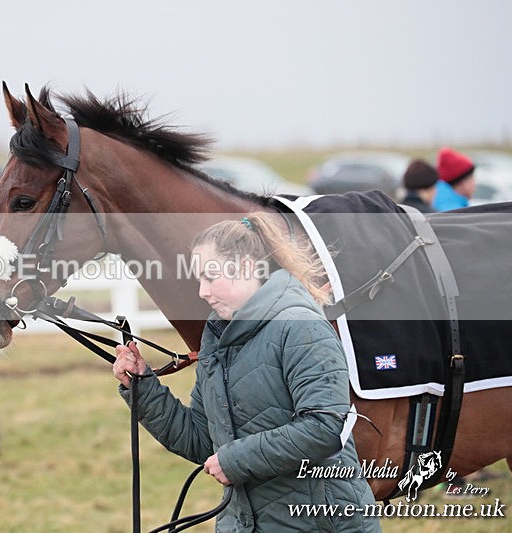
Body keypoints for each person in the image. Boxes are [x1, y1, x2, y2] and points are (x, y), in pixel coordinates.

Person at [113, 213, 379, 531]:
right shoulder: (217, 338)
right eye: (198, 279)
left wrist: (235, 460)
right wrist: (143, 387)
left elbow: (324, 427)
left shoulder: (300, 327)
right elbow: (203, 441)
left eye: (210, 276)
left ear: (246, 268)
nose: (201, 291)